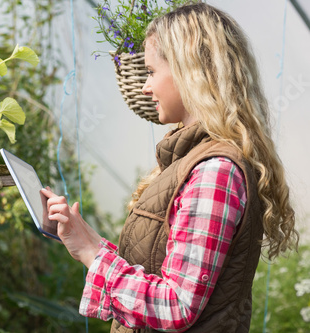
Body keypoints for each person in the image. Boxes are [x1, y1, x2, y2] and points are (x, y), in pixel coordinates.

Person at [40, 2, 299, 332]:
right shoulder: (193, 158)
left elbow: (174, 305)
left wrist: (93, 253)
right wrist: (84, 238)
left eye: (150, 71)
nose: (145, 87)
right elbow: (157, 268)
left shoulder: (214, 171)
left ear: (190, 70)